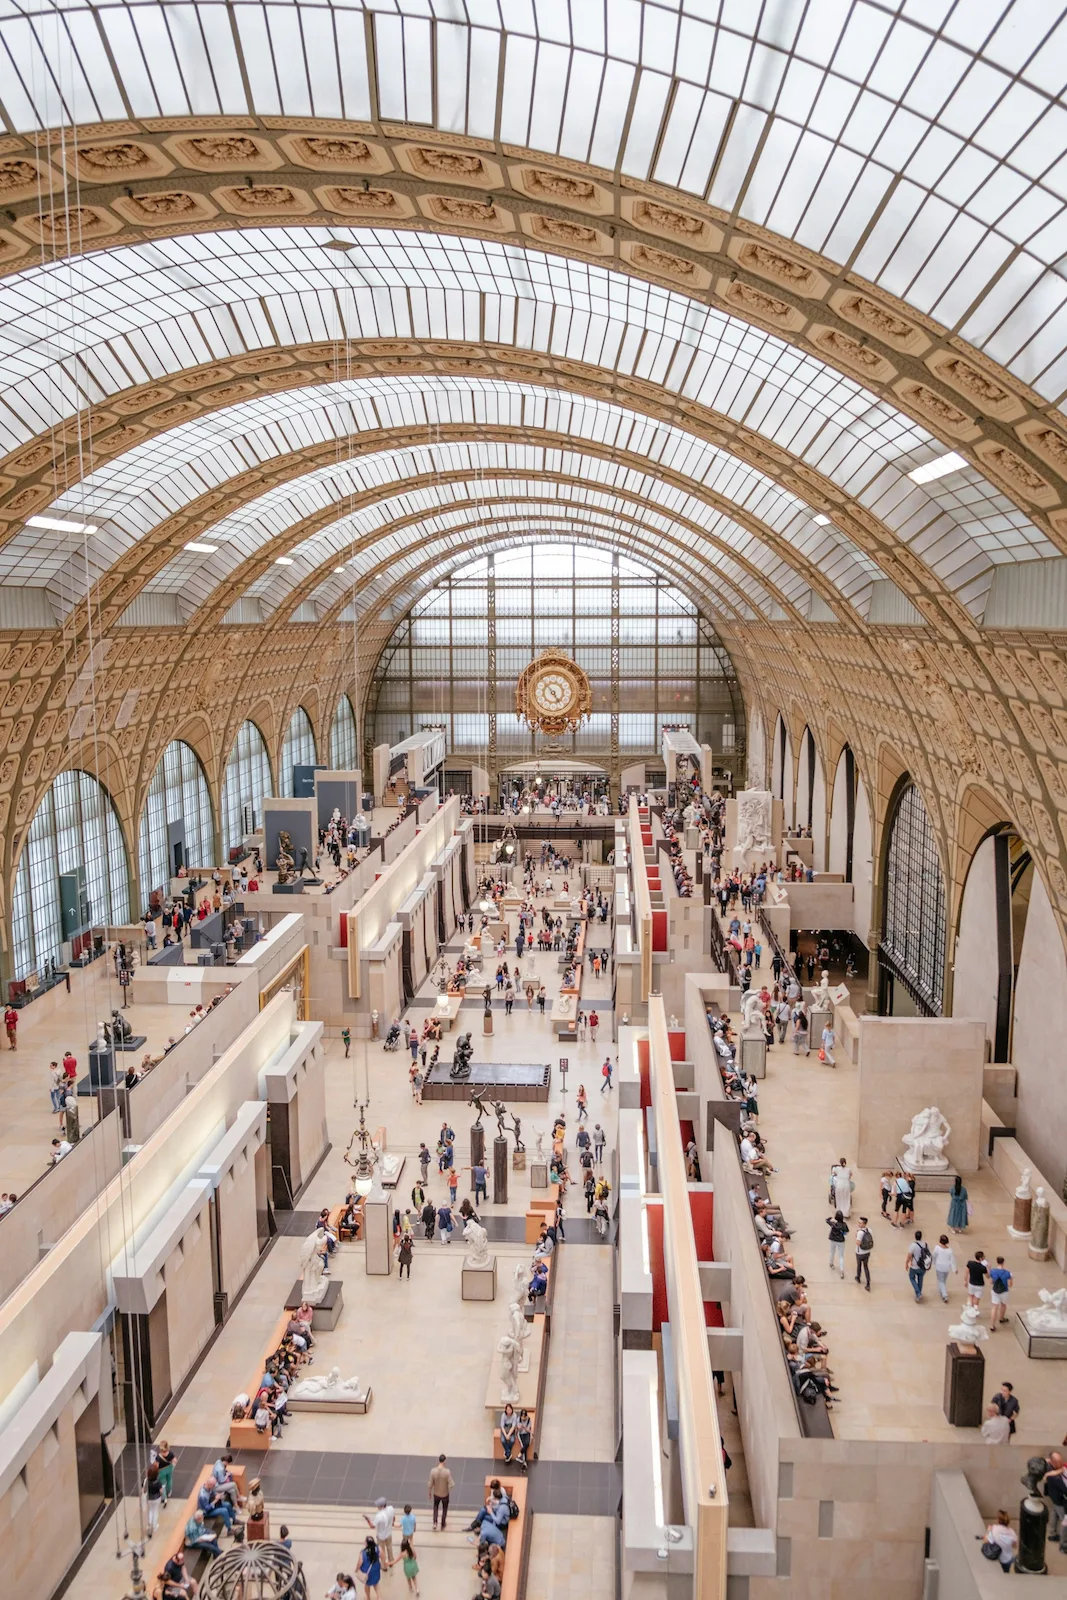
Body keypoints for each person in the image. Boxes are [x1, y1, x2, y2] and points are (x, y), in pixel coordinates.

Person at [429, 1454, 454, 1530]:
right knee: (444, 1508)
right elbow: (451, 1484)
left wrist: (429, 1492)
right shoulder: (447, 1472)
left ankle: (435, 1522)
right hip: (445, 1494)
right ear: (445, 1461)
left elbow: (430, 1484)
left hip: (436, 1493)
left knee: (435, 1507)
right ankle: (443, 1523)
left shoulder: (433, 1471)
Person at [905, 1230, 930, 1302]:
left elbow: (909, 1255)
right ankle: (918, 1294)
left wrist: (906, 1263)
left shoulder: (913, 1245)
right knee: (920, 1279)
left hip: (914, 1265)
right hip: (923, 1266)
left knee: (911, 1278)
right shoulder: (925, 1244)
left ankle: (918, 1293)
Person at [931, 1236, 957, 1303]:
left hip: (939, 1267)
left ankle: (944, 1294)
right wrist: (954, 1269)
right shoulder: (950, 1250)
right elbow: (952, 1260)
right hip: (946, 1267)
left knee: (940, 1280)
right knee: (943, 1280)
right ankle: (941, 1291)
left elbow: (934, 1256)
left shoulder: (937, 1248)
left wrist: (932, 1263)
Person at [989, 1256, 1013, 1330]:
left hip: (995, 1291)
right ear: (1003, 1262)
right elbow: (1010, 1285)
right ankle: (1001, 1318)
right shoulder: (1007, 1273)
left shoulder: (992, 1271)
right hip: (1004, 1291)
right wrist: (1011, 1278)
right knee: (1003, 1305)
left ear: (997, 1262)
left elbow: (991, 1282)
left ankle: (992, 1325)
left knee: (994, 1307)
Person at [143, 1461, 165, 1536]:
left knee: (150, 1511)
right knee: (155, 1511)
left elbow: (143, 1489)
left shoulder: (146, 1480)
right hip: (156, 1498)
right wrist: (162, 1495)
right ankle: (154, 1526)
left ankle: (149, 1524)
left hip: (149, 1498)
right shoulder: (158, 1482)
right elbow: (161, 1490)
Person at [826, 1210, 847, 1278]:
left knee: (832, 1252)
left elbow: (827, 1220)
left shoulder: (833, 1224)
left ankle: (831, 1263)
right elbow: (846, 1231)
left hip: (833, 1240)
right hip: (841, 1241)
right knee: (841, 1256)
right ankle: (841, 1271)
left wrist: (830, 1218)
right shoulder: (844, 1225)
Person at [854, 1216, 873, 1290]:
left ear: (864, 1224)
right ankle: (868, 1282)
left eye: (860, 1223)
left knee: (859, 1265)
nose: (858, 1224)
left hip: (860, 1252)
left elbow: (858, 1243)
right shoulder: (869, 1230)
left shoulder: (860, 1233)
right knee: (866, 1267)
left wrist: (856, 1235)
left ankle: (858, 1277)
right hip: (867, 1252)